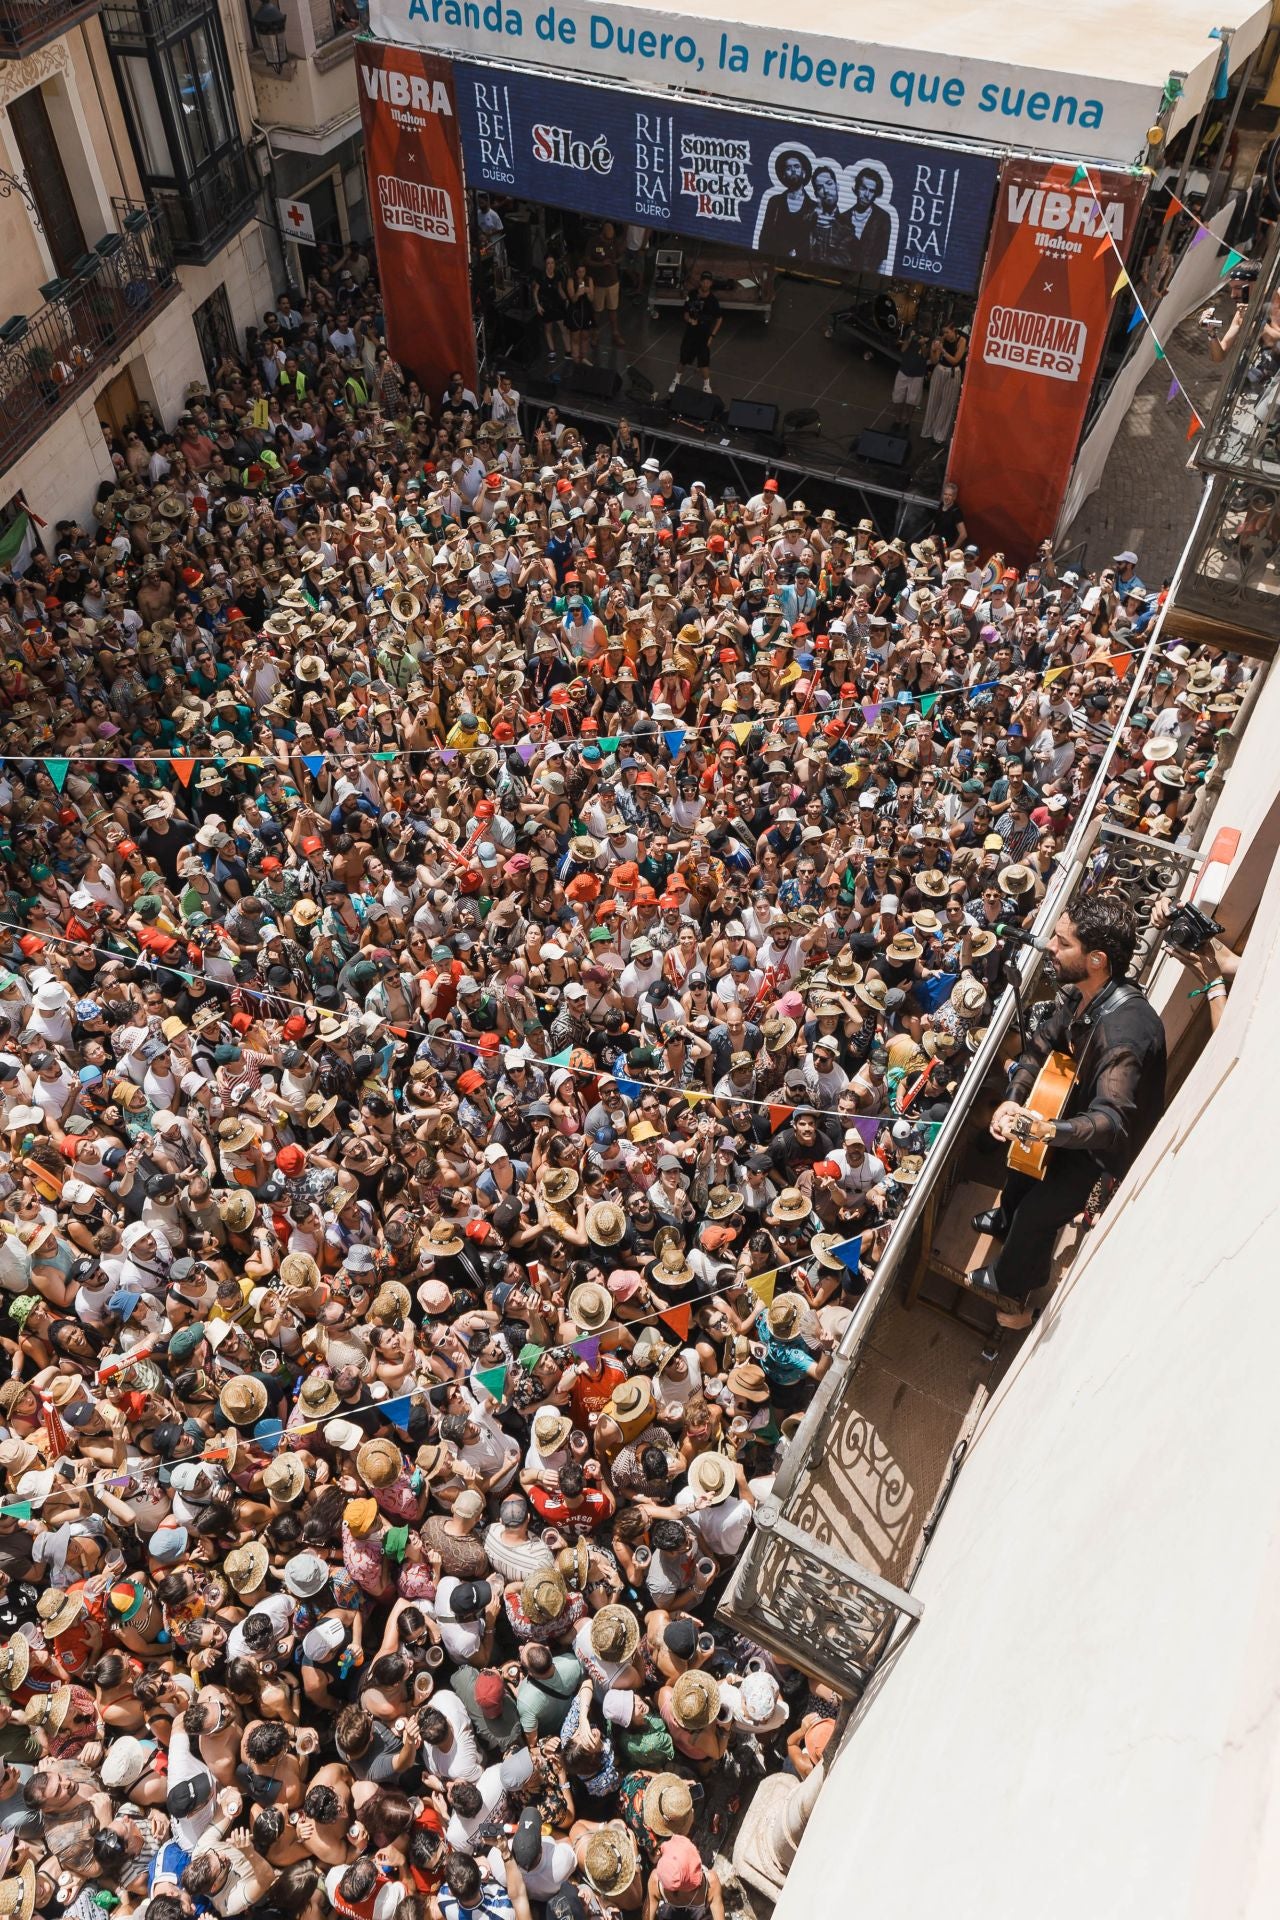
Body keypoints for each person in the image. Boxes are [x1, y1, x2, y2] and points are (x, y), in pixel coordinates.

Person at [969, 892, 1167, 1327]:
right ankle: (1005, 1221)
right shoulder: (1081, 993)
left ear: (1096, 958)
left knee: (1038, 1216)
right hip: (1066, 1115)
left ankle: (1012, 1284)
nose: (1049, 948)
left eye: (1062, 943)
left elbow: (1110, 1123)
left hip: (1100, 1154)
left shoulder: (1124, 1033)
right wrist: (1013, 1100)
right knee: (1020, 1168)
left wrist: (1046, 1131)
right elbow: (1041, 1045)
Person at [669, 273, 722, 399]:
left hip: (703, 336)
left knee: (704, 363)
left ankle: (706, 385)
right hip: (690, 334)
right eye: (704, 281)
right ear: (700, 282)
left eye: (708, 282)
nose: (706, 284)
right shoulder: (692, 294)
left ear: (711, 283)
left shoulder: (713, 301)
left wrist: (712, 336)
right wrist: (689, 320)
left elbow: (719, 319)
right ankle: (676, 380)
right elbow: (686, 312)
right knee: (683, 359)